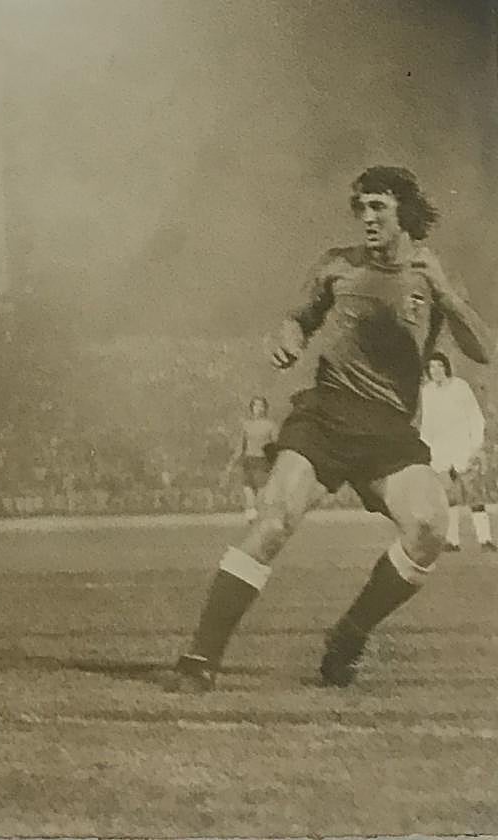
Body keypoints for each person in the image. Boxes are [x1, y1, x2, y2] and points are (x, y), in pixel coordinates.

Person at [168, 166, 491, 693]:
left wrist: (447, 296)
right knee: (275, 519)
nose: (367, 217)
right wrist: (288, 336)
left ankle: (348, 637)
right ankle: (199, 658)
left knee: (430, 526)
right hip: (328, 414)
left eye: (378, 207)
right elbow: (296, 318)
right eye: (361, 207)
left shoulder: (432, 273)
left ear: (404, 212)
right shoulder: (337, 266)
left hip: (389, 429)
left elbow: (483, 349)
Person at [419, 352, 494, 552]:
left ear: (446, 367)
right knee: (448, 497)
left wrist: (475, 446)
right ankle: (452, 541)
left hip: (463, 448)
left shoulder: (460, 387)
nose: (436, 370)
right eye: (432, 367)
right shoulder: (428, 391)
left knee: (474, 496)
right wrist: (425, 448)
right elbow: (427, 423)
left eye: (439, 366)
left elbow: (475, 417)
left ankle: (485, 540)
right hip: (440, 451)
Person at [225, 397, 278, 523]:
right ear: (251, 408)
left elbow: (276, 445)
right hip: (248, 461)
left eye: (261, 406)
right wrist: (231, 463)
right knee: (248, 490)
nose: (258, 409)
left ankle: (259, 516)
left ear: (265, 408)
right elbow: (240, 447)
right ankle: (252, 515)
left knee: (261, 492)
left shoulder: (270, 425)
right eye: (256, 406)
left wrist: (276, 462)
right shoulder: (246, 425)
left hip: (263, 461)